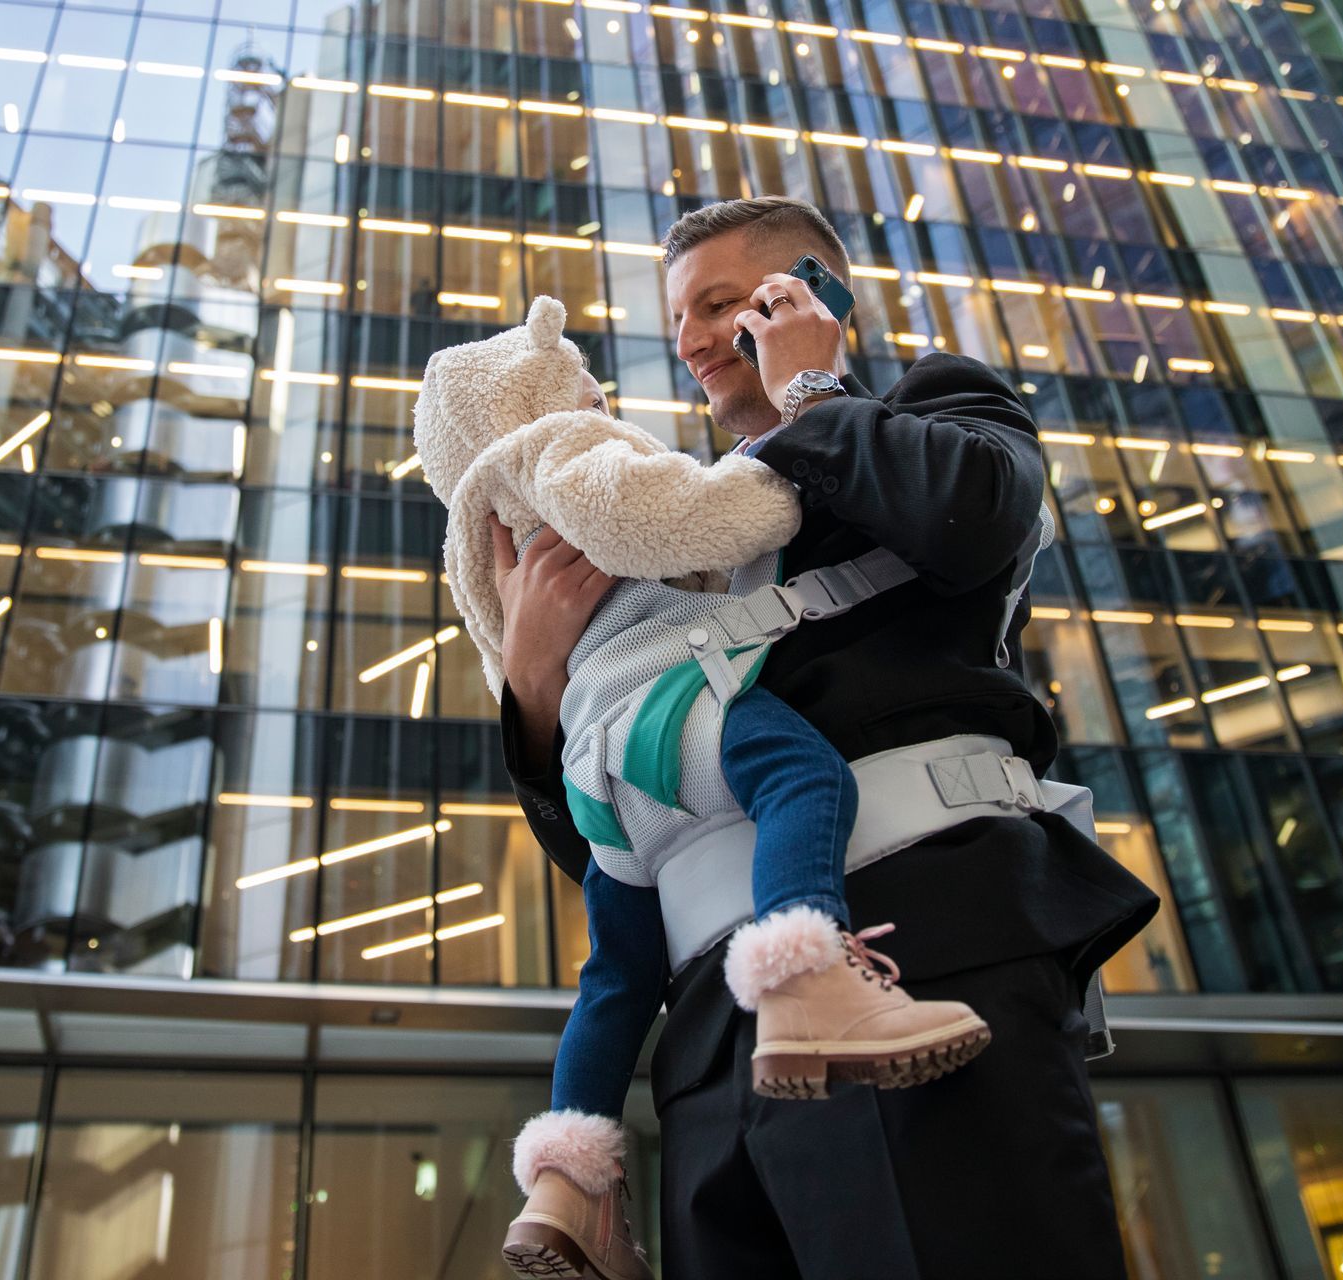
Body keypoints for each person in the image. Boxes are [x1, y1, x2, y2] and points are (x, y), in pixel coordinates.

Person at [493, 196, 1161, 1279]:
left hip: (917, 942)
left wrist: (813, 388)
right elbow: (613, 839)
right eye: (682, 322)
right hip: (714, 1040)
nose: (698, 340)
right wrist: (535, 679)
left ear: (812, 291)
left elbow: (976, 512)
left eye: (722, 303)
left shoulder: (929, 407)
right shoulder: (673, 537)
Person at [411, 298, 992, 1280]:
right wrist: (784, 476)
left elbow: (508, 663)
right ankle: (809, 979)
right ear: (537, 390)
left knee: (617, 972)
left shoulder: (473, 530)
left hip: (599, 778)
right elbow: (684, 514)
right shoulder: (562, 443)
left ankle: (568, 1181)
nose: (605, 395)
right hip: (675, 707)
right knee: (802, 778)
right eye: (583, 380)